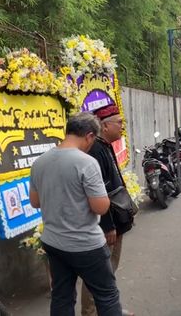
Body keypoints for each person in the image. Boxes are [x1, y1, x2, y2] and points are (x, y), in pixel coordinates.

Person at [30, 112, 122, 316]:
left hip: (54, 242)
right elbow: (100, 207)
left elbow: (35, 202)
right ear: (89, 136)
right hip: (85, 244)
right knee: (107, 295)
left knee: (62, 296)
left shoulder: (40, 162)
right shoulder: (86, 162)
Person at [81, 105, 134, 316]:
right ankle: (91, 312)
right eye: (119, 122)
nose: (123, 126)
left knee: (109, 271)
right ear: (104, 125)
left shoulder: (104, 146)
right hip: (107, 225)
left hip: (115, 222)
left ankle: (109, 309)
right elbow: (98, 192)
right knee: (100, 272)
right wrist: (108, 225)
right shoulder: (95, 150)